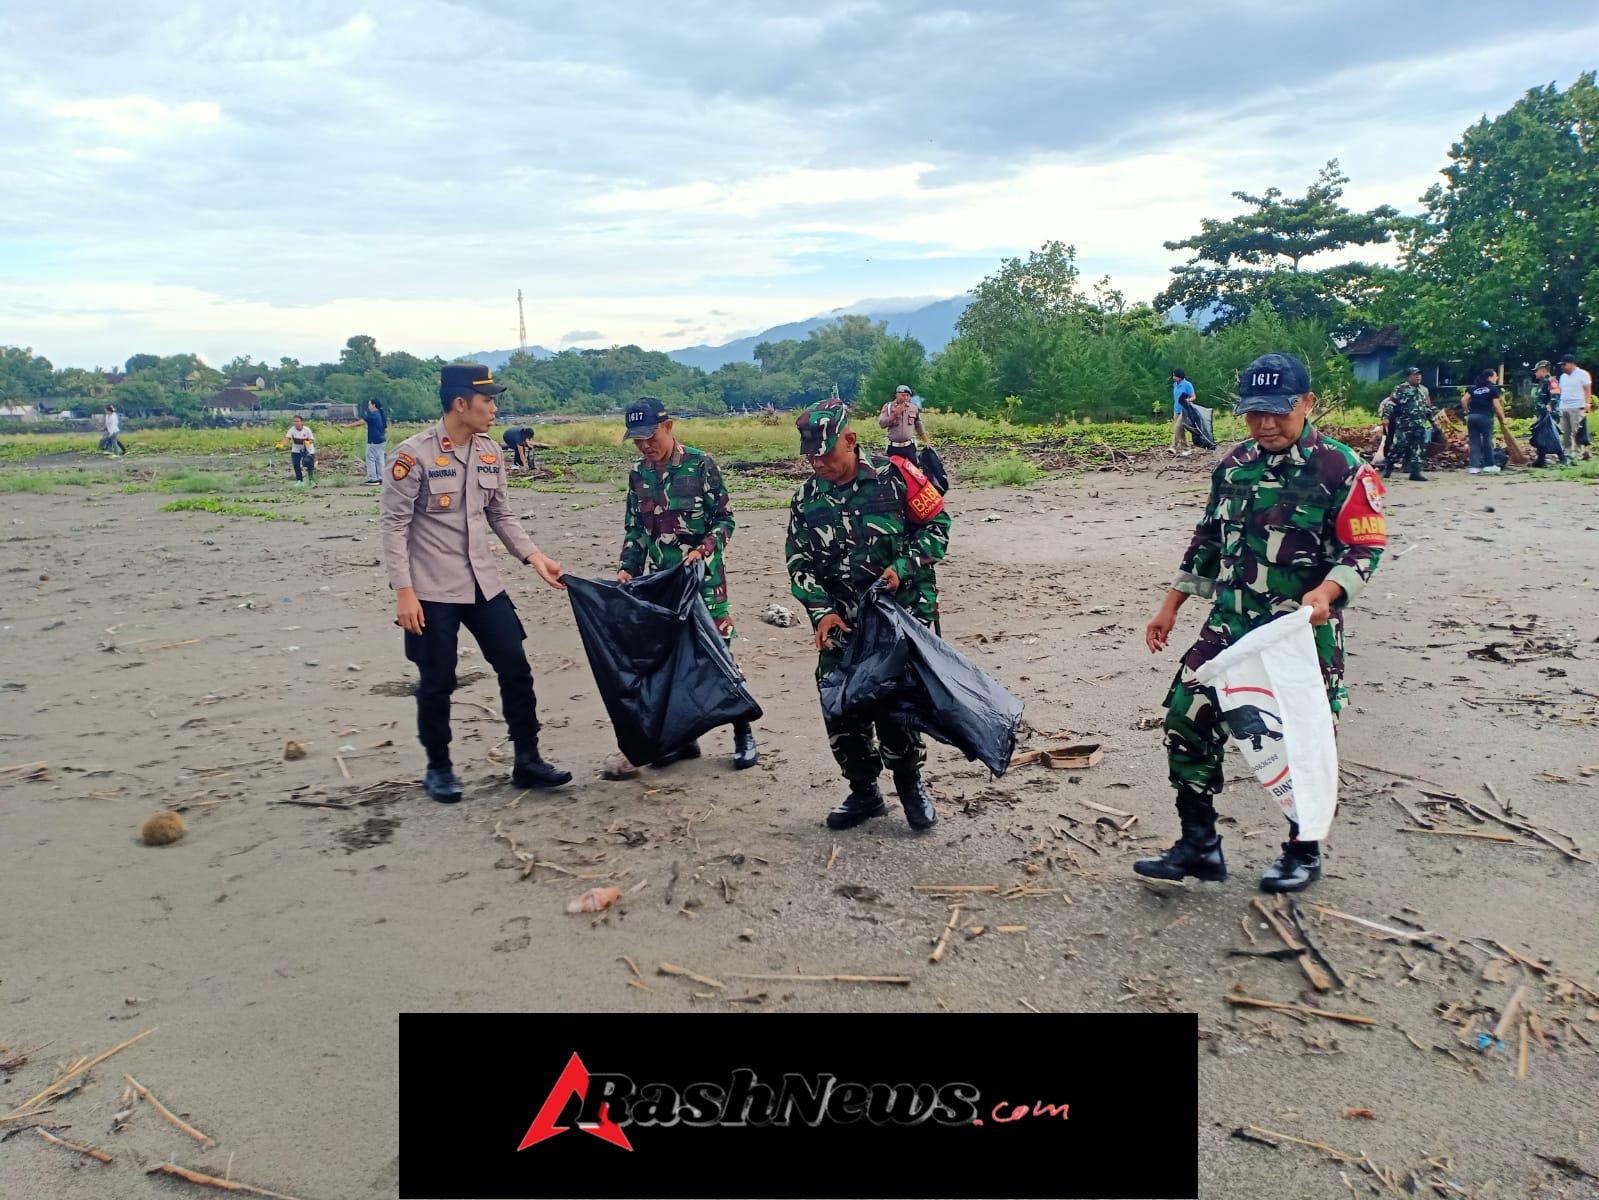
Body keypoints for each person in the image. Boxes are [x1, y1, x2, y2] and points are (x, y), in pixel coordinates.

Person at [1139, 353, 1385, 893]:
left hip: (1298, 633)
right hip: (1229, 624)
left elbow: (1365, 548)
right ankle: (1199, 844)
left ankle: (1303, 849)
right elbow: (1208, 539)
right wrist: (1171, 605)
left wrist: (1327, 591)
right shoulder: (1232, 466)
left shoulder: (1341, 469)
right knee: (1186, 719)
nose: (1265, 424)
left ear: (1306, 403)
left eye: (1277, 412)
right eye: (1254, 413)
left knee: (1301, 739)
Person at [380, 363, 572, 803]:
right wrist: (404, 592)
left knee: (515, 667)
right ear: (460, 404)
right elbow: (394, 527)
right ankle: (439, 767)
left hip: (483, 584)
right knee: (437, 680)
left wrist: (534, 556)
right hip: (431, 590)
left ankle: (527, 759)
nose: (494, 409)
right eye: (487, 401)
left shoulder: (490, 452)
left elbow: (500, 515)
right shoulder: (413, 456)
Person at [785, 398, 951, 832]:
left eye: (827, 454)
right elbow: (798, 564)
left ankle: (911, 786)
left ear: (851, 440)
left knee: (896, 705)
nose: (819, 464)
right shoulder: (805, 500)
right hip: (842, 623)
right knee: (840, 706)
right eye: (811, 457)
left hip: (898, 619)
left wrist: (903, 567)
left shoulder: (898, 477)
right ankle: (864, 793)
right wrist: (820, 613)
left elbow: (939, 528)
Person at [605, 398, 757, 777]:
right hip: (662, 585)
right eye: (637, 440)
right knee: (670, 661)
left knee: (719, 657)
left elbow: (725, 520)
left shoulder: (700, 464)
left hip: (704, 582)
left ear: (668, 426)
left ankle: (744, 733)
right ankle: (683, 738)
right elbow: (635, 530)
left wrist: (704, 550)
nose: (645, 446)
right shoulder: (639, 474)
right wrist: (627, 569)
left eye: (650, 437)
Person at [1383, 368, 1432, 482]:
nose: (1418, 377)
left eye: (1419, 375)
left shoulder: (1424, 390)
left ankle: (1415, 472)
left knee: (1418, 449)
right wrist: (1386, 417)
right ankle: (1388, 468)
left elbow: (1428, 406)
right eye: (1415, 375)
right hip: (1404, 424)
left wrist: (1433, 421)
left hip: (1420, 424)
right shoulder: (1400, 389)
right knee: (1398, 446)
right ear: (1408, 376)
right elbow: (1390, 403)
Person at [1463, 369, 1506, 476]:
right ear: (1489, 377)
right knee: (1487, 441)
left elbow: (1464, 400)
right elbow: (1496, 405)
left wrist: (1467, 411)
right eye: (1495, 376)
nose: (1496, 378)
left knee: (1474, 443)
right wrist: (1503, 418)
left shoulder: (1473, 388)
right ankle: (1489, 465)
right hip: (1485, 417)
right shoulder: (1492, 389)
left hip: (1472, 417)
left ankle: (1473, 467)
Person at [1530, 361, 1567, 469]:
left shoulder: (1551, 380)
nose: (1535, 373)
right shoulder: (1542, 382)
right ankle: (1541, 460)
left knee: (1552, 436)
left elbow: (1556, 393)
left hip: (1550, 414)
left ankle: (1563, 457)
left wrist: (1550, 405)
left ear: (1544, 369)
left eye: (1536, 371)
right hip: (1542, 414)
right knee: (1541, 436)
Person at [1557, 354, 1593, 462]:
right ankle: (1568, 452)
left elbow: (1587, 389)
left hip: (1577, 406)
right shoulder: (1563, 376)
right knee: (1566, 432)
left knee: (1577, 431)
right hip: (1564, 407)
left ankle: (1579, 453)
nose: (1562, 367)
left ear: (1572, 364)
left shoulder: (1583, 374)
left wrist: (1587, 403)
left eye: (1564, 365)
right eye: (1561, 365)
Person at [877, 384, 926, 463]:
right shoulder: (888, 407)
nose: (905, 398)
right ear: (897, 395)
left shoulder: (913, 407)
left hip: (909, 447)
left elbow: (919, 425)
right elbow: (882, 424)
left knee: (912, 470)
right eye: (903, 395)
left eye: (907, 395)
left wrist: (926, 441)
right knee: (894, 471)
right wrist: (895, 414)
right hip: (894, 447)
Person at [344, 399, 387, 484]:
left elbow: (360, 422)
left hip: (373, 441)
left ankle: (373, 479)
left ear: (374, 405)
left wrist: (347, 426)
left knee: (370, 458)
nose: (368, 406)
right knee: (380, 459)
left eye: (369, 404)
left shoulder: (373, 415)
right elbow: (386, 429)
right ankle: (381, 477)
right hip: (382, 440)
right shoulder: (381, 414)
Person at [1169, 370, 1196, 456]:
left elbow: (1193, 396)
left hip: (1184, 410)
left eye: (1174, 376)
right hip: (1176, 409)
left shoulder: (1187, 384)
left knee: (1178, 427)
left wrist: (1187, 400)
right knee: (1179, 429)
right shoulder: (1175, 385)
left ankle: (1178, 446)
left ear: (1179, 377)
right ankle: (1179, 447)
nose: (1173, 377)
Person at [285, 415, 316, 486]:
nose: (295, 423)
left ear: (301, 422)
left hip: (308, 450)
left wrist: (307, 442)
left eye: (297, 421)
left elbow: (311, 440)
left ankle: (311, 481)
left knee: (309, 465)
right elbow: (287, 438)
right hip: (296, 449)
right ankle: (300, 481)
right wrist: (282, 444)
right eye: (294, 421)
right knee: (296, 464)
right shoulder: (292, 430)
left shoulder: (307, 430)